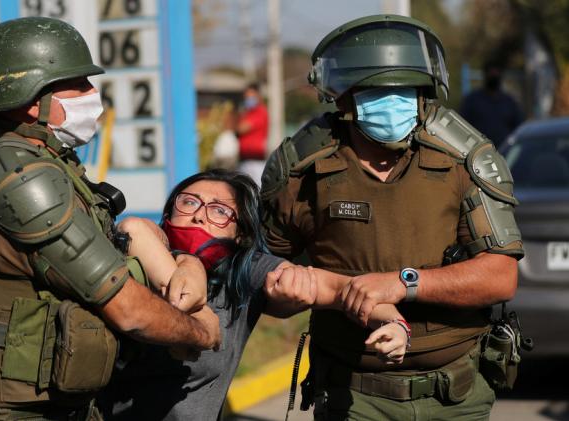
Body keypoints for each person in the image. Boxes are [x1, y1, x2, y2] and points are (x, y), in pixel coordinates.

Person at [0, 17, 221, 421]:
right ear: (33, 101)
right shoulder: (22, 179)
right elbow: (129, 310)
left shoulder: (13, 159)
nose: (93, 94)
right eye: (79, 84)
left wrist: (185, 262)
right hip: (15, 411)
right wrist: (201, 332)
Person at [261, 15, 524, 420]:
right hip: (351, 393)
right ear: (344, 96)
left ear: (425, 92)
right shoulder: (302, 169)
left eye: (404, 89)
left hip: (456, 394)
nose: (392, 102)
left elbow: (500, 275)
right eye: (375, 90)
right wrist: (288, 293)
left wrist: (404, 284)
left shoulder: (464, 161)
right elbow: (265, 270)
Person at [99, 169, 411, 421]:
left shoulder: (247, 270)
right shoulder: (133, 256)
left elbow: (343, 290)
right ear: (168, 213)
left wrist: (394, 324)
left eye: (219, 211)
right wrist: (185, 266)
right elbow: (135, 228)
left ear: (241, 233)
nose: (198, 216)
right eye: (189, 202)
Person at [460, 61, 524, 148]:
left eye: (496, 73)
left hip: (503, 151)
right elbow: (462, 126)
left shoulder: (509, 102)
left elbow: (518, 129)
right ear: (485, 75)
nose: (493, 76)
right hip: (478, 150)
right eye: (491, 73)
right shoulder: (472, 101)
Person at [236, 83, 269, 185]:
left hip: (255, 160)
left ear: (258, 96)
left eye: (251, 96)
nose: (248, 99)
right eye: (246, 97)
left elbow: (241, 128)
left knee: (256, 191)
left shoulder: (260, 112)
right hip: (244, 159)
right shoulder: (247, 113)